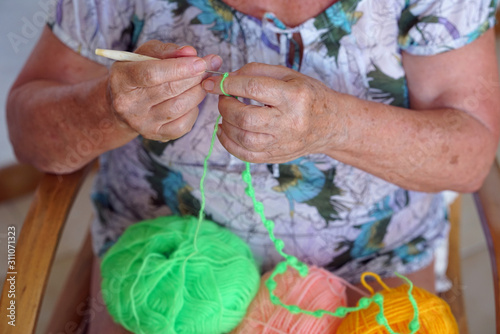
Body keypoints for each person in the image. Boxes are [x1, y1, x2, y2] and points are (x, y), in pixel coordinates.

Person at [7, 0, 500, 332]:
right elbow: (31, 136)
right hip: (162, 265)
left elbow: (471, 158)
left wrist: (336, 125)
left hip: (371, 276)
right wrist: (107, 107)